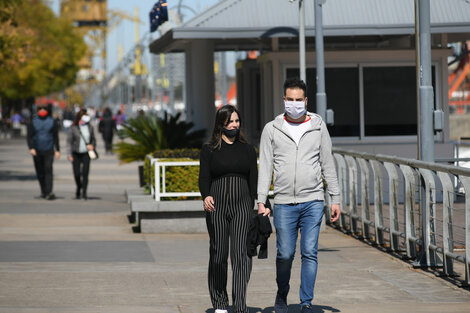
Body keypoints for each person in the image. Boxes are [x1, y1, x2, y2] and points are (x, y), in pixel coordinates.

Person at [257, 77, 341, 313]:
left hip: (313, 200)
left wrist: (335, 198)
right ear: (284, 100)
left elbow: (327, 163)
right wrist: (261, 201)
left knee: (309, 252)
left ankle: (306, 302)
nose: (294, 104)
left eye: (298, 100)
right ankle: (282, 293)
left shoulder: (318, 125)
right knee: (284, 254)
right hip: (284, 202)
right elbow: (265, 168)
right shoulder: (271, 129)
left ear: (306, 100)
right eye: (290, 100)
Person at [198, 105, 258, 313]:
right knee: (218, 254)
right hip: (217, 206)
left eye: (236, 121)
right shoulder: (209, 149)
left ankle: (240, 305)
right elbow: (204, 177)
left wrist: (258, 205)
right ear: (221, 124)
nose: (234, 125)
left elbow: (254, 179)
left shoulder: (248, 149)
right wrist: (205, 196)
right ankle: (220, 303)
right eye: (230, 121)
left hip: (242, 206)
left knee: (242, 255)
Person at [27, 103, 61, 200]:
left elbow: (56, 136)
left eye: (44, 109)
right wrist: (31, 148)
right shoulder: (33, 122)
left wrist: (57, 149)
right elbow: (29, 136)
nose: (42, 110)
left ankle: (49, 191)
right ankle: (43, 191)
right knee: (40, 172)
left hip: (49, 150)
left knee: (48, 170)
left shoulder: (52, 121)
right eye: (40, 109)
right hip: (37, 150)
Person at [66, 108, 96, 200]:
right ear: (80, 117)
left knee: (85, 173)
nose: (87, 117)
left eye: (87, 116)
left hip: (86, 153)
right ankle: (79, 187)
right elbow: (69, 142)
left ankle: (84, 193)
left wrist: (92, 145)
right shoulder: (73, 127)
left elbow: (93, 139)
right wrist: (69, 154)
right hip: (76, 153)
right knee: (77, 174)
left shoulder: (90, 127)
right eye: (85, 116)